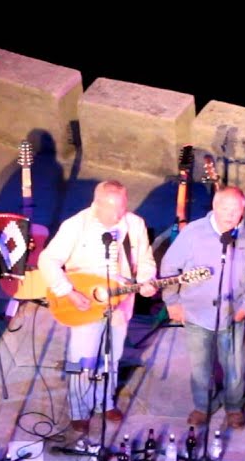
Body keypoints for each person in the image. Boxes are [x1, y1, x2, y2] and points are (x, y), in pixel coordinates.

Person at [37, 180, 157, 435]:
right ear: (96, 204)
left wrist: (146, 280)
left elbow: (145, 260)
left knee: (112, 354)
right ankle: (79, 410)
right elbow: (47, 259)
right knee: (83, 358)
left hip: (121, 300)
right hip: (85, 301)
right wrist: (67, 291)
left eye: (122, 207)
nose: (117, 215)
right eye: (112, 209)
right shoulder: (76, 225)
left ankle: (105, 402)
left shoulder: (134, 224)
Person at [160, 186, 245, 430]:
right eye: (225, 208)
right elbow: (168, 269)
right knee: (200, 367)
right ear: (214, 207)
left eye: (236, 209)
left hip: (233, 315)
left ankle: (233, 407)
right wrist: (173, 302)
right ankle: (202, 406)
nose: (231, 215)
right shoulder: (194, 233)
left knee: (235, 367)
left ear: (243, 210)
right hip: (197, 314)